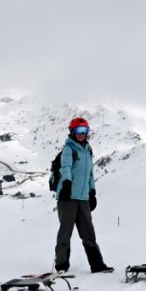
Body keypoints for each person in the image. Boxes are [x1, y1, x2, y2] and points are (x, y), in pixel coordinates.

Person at [54, 117, 114, 274]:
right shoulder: (69, 148)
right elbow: (65, 167)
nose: (81, 134)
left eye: (84, 131)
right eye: (78, 131)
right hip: (68, 197)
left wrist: (92, 191)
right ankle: (61, 266)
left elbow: (90, 174)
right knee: (65, 232)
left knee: (88, 232)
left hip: (83, 198)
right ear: (72, 131)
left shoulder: (88, 149)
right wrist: (66, 183)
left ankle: (97, 265)